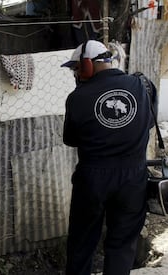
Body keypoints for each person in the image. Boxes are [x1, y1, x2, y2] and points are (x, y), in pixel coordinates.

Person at [61, 40, 154, 275]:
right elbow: (149, 123)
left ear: (87, 65)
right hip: (133, 178)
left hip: (93, 178)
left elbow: (70, 139)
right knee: (122, 246)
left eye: (76, 68)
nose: (75, 74)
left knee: (82, 244)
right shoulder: (141, 85)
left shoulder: (77, 97)